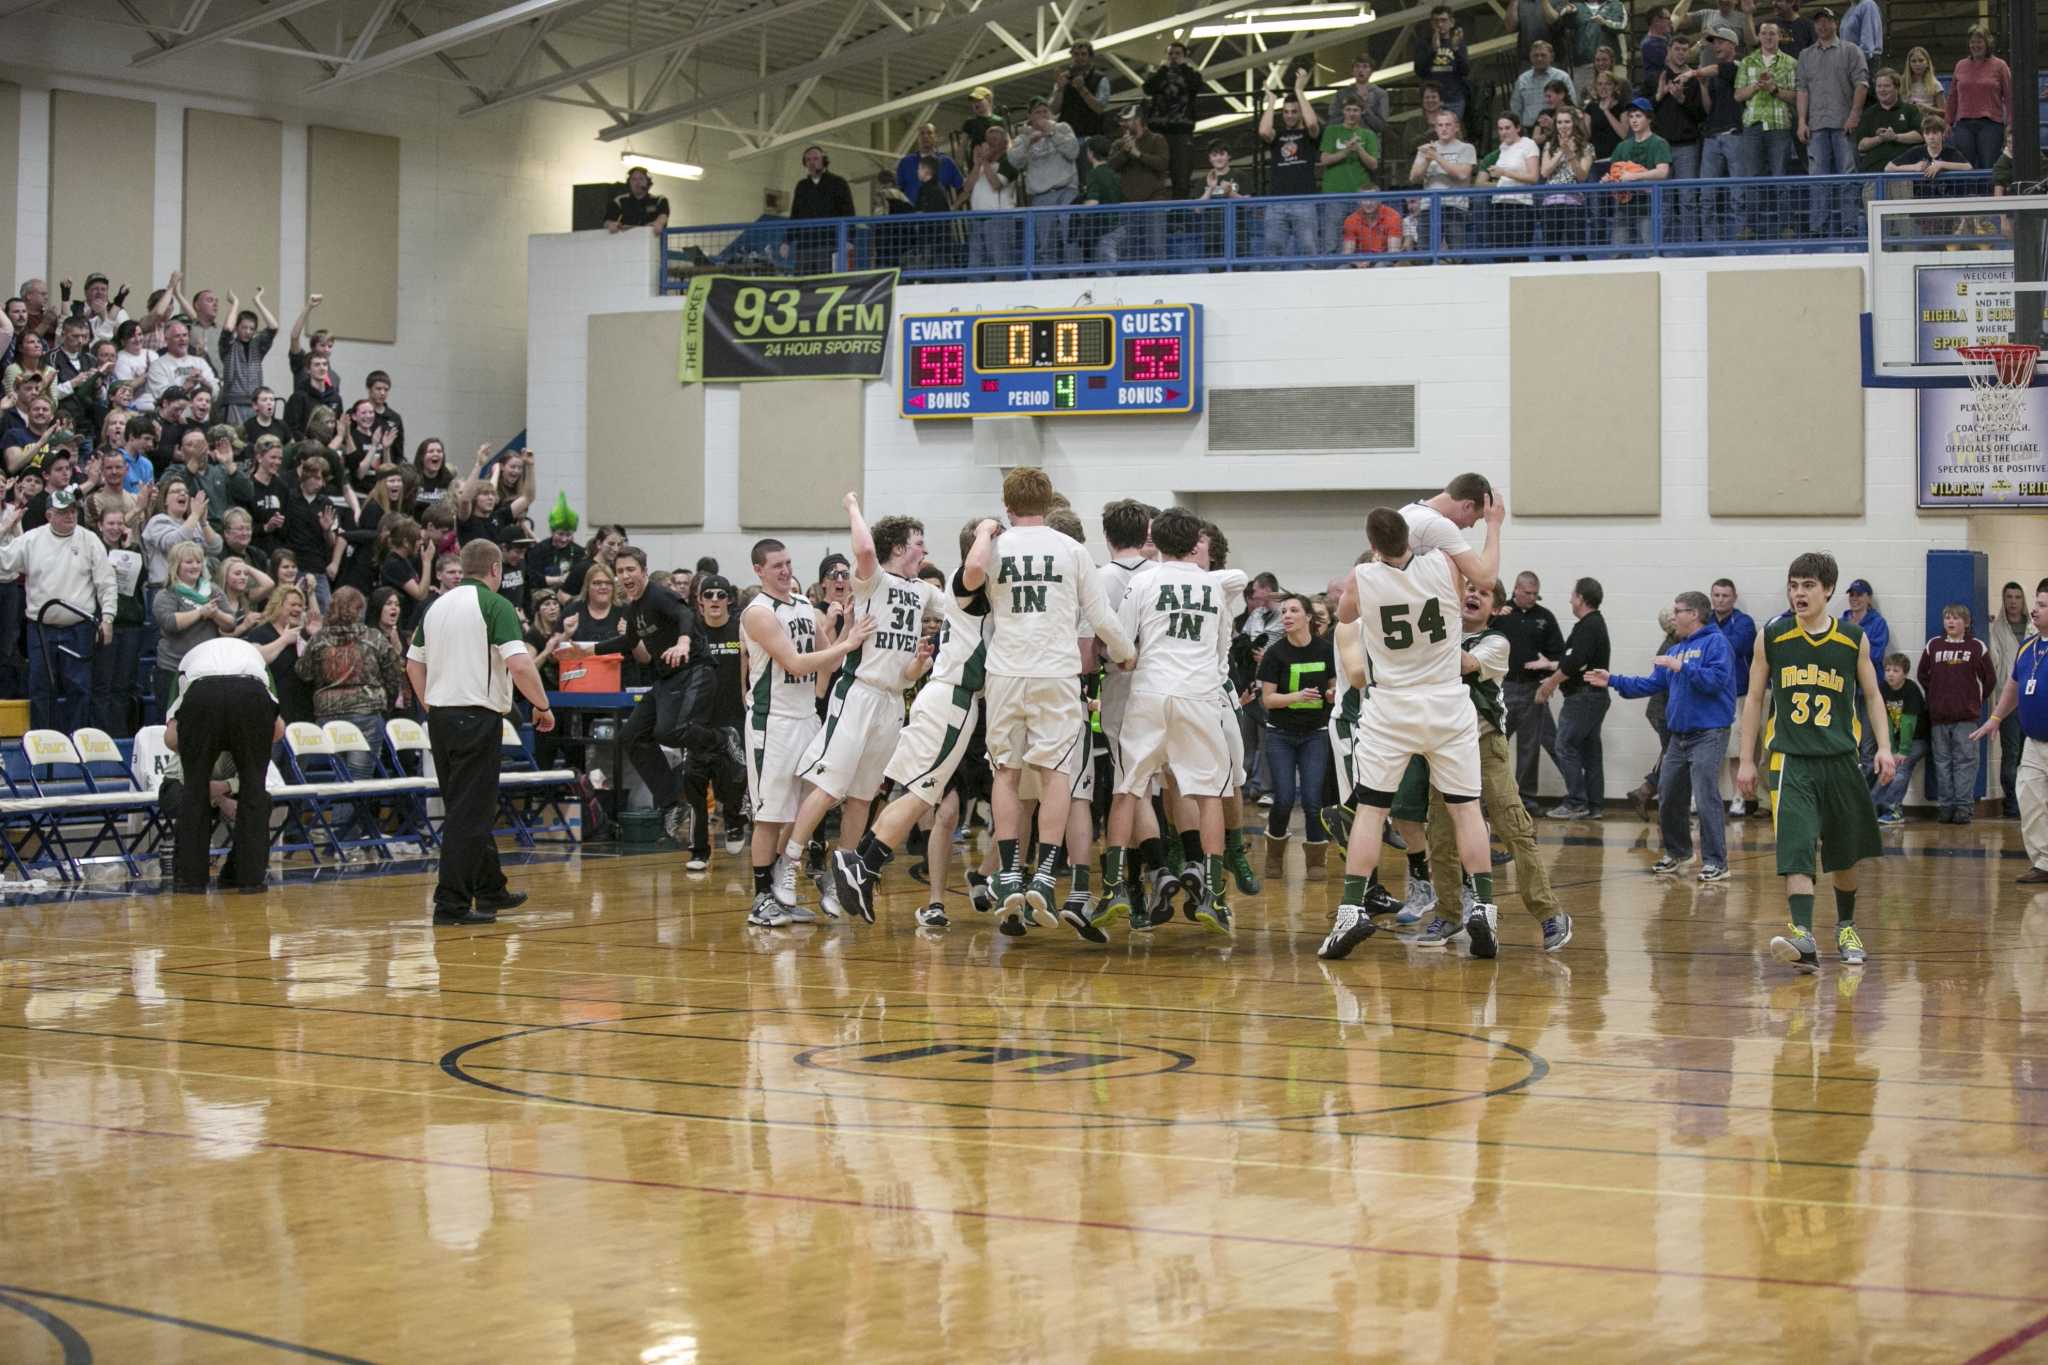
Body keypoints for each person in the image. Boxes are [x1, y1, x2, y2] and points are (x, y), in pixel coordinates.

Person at [1320, 507, 1502, 962]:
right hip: (1446, 701)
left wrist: (1367, 569)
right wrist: (1493, 524)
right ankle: (1482, 905)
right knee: (1466, 812)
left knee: (1370, 812)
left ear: (1375, 545)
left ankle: (1350, 910)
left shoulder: (1363, 576)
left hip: (1392, 706)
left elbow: (1343, 614)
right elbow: (1485, 574)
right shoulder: (1443, 564)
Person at [957, 468, 1134, 933]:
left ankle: (1010, 869)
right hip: (1057, 672)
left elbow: (969, 581)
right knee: (1057, 774)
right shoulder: (1073, 550)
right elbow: (1100, 616)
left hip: (1006, 671)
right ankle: (1044, 873)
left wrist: (983, 532)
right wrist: (1125, 653)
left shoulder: (994, 547)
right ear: (1049, 501)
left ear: (1007, 503)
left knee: (1006, 772)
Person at [832, 518, 998, 930]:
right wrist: (987, 531)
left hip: (936, 696)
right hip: (954, 700)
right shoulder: (970, 582)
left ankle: (858, 863)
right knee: (923, 796)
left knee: (910, 791)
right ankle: (864, 868)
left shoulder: (967, 593)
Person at [1094, 506, 1247, 935]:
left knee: (1129, 788)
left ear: (1156, 542)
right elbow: (1222, 650)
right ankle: (1214, 896)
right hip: (1199, 693)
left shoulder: (1142, 581)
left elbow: (1122, 642)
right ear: (1194, 543)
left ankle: (1113, 888)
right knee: (1209, 793)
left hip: (1150, 690)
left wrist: (1126, 662)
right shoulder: (1214, 587)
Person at [1736, 552, 1893, 970]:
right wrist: (1747, 760)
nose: (1798, 593)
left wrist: (1883, 746)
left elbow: (1874, 696)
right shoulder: (1772, 635)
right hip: (1790, 760)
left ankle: (1845, 925)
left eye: (1807, 585)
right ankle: (1803, 935)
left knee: (1843, 854)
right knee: (1798, 848)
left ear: (1828, 590)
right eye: (1793, 584)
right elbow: (1754, 699)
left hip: (1840, 758)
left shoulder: (1852, 639)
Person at [781, 496, 934, 918]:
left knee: (863, 798)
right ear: (900, 548)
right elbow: (865, 549)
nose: (925, 550)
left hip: (890, 701)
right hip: (858, 693)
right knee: (829, 788)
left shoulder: (921, 594)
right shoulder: (874, 580)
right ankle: (789, 864)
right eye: (919, 543)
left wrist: (919, 663)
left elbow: (905, 674)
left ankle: (842, 875)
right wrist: (851, 506)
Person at [404, 537, 555, 925]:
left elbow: (412, 665)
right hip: (477, 718)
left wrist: (430, 703)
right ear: (495, 570)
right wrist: (542, 706)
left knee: (465, 807)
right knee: (470, 814)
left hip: (439, 720)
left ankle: (490, 889)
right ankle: (450, 904)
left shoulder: (436, 607)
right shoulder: (496, 604)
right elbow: (520, 665)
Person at [1422, 580, 1570, 950]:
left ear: (1496, 609)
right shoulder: (1439, 634)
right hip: (1443, 750)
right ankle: (1448, 913)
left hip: (1485, 746)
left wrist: (1424, 636)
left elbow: (1464, 664)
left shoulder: (1495, 643)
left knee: (1513, 828)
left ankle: (1550, 914)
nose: (1472, 595)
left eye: (1483, 594)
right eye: (1468, 589)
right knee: (1439, 837)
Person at [738, 538, 876, 927]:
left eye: (788, 562)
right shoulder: (757, 613)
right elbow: (797, 663)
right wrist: (845, 644)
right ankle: (761, 897)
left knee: (801, 812)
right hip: (773, 722)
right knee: (770, 815)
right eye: (776, 565)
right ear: (759, 570)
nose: (784, 570)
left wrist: (847, 629)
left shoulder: (802, 605)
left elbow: (827, 654)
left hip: (805, 719)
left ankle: (781, 890)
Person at [561, 546, 710, 842]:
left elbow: (685, 614)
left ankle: (721, 741)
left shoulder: (657, 594)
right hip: (664, 680)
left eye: (631, 569)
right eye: (620, 571)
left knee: (668, 732)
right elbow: (629, 642)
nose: (625, 575)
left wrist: (682, 642)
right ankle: (672, 803)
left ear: (643, 571)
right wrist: (586, 649)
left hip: (691, 671)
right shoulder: (633, 608)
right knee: (629, 736)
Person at [1587, 590, 1737, 879]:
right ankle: (1678, 853)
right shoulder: (1675, 649)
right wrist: (1612, 680)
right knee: (1668, 796)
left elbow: (1716, 681)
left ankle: (1716, 862)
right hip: (1678, 737)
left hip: (1709, 733)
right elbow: (1650, 684)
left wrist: (1683, 667)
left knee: (1706, 797)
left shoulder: (1716, 643)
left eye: (1678, 610)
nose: (1673, 616)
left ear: (1694, 614)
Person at [162, 635, 282, 894]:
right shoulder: (258, 663)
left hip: (203, 696)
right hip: (251, 698)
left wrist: (208, 741)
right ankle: (250, 879)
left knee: (194, 794)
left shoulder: (186, 666)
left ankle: (190, 880)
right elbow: (279, 731)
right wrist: (242, 742)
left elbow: (170, 738)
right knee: (254, 791)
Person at [0, 485, 114, 730]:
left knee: (79, 687)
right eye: (63, 512)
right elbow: (4, 562)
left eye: (73, 511)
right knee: (40, 687)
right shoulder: (31, 539)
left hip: (79, 625)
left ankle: (77, 742)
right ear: (49, 515)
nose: (70, 516)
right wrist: (3, 528)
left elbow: (106, 582)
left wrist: (108, 618)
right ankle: (43, 743)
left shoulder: (89, 539)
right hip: (40, 627)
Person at [1967, 579, 2048, 883]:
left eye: (2041, 605)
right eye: (2036, 604)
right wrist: (1997, 717)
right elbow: (2014, 684)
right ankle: (2043, 863)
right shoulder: (2028, 647)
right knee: (2030, 801)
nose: (2035, 610)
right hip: (2034, 742)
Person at [1257, 593, 1336, 880]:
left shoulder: (1326, 651)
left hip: (1315, 734)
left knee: (1314, 799)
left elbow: (1333, 687)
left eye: (1293, 610)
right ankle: (1275, 854)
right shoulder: (1275, 654)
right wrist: (1297, 696)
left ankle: (1316, 858)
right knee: (1284, 797)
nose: (1286, 615)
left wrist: (1331, 694)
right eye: (1283, 611)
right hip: (1281, 735)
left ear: (1307, 617)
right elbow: (1268, 700)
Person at [296, 585, 404, 784]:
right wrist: (385, 705)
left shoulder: (319, 639)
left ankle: (335, 815)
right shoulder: (374, 637)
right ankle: (337, 817)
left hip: (328, 714)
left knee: (342, 778)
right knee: (359, 780)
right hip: (367, 713)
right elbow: (393, 672)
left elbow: (304, 672)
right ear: (360, 609)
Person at [679, 574, 747, 872]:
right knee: (695, 786)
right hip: (698, 722)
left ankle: (734, 820)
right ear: (700, 601)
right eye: (709, 595)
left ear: (729, 599)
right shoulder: (690, 633)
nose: (715, 600)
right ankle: (699, 850)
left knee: (735, 778)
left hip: (734, 718)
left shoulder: (741, 629)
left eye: (721, 594)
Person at [1536, 576, 1610, 817]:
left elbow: (1575, 663)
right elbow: (1572, 661)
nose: (1570, 599)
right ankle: (1594, 805)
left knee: (1564, 744)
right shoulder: (1591, 625)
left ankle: (1576, 801)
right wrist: (1550, 665)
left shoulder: (1589, 625)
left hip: (1584, 697)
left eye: (1572, 595)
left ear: (1581, 598)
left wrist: (1549, 684)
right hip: (1592, 697)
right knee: (1590, 750)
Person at [1916, 602, 1995, 824]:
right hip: (1939, 717)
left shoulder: (1977, 647)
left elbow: (1990, 680)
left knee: (1966, 762)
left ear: (1966, 623)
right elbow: (1923, 674)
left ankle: (1963, 808)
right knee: (1942, 763)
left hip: (1967, 717)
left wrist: (1973, 700)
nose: (1951, 621)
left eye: (1956, 618)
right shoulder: (1934, 646)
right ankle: (1945, 806)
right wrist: (1937, 697)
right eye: (1947, 618)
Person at [1496, 571, 1565, 813]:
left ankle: (1526, 797)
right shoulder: (1500, 613)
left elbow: (1559, 654)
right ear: (1516, 590)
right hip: (1503, 686)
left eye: (1536, 594)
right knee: (1495, 743)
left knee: (1529, 746)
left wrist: (1548, 674)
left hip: (1531, 688)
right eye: (1527, 593)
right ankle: (1490, 797)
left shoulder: (1545, 618)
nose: (1532, 598)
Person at [1258, 76, 1322, 263]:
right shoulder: (1277, 136)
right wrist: (1271, 102)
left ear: (1300, 113)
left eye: (1294, 111)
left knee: (1310, 252)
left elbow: (1312, 124)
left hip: (1304, 201)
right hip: (1277, 201)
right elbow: (1263, 131)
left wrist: (1299, 91)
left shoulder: (1308, 135)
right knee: (1272, 254)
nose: (1290, 115)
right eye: (1286, 112)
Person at [1709, 578, 1759, 815]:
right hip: (1707, 695)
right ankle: (1701, 797)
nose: (1720, 600)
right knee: (1706, 750)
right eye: (1716, 595)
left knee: (1736, 751)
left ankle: (1738, 798)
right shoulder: (1704, 619)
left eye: (1725, 595)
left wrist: (1706, 644)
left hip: (1736, 693)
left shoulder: (1744, 622)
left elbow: (1733, 648)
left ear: (1734, 597)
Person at [1870, 651, 1926, 824]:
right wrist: (1889, 749)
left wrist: (1902, 751)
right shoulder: (1883, 689)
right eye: (1888, 670)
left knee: (1901, 769)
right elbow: (1884, 720)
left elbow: (1908, 723)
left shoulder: (1911, 690)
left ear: (1905, 673)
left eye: (1895, 670)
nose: (1891, 674)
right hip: (1895, 740)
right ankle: (1873, 807)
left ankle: (1894, 810)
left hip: (1917, 739)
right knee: (1886, 767)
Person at [1143, 40, 1204, 198]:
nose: (1173, 57)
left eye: (1177, 54)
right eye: (1170, 53)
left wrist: (1183, 67)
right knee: (1155, 174)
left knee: (1181, 175)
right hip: (1158, 131)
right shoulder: (1158, 73)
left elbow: (1197, 85)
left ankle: (1179, 216)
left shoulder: (1191, 74)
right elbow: (1147, 88)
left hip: (1181, 131)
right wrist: (1163, 69)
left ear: (1184, 56)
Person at [1943, 27, 2009, 171]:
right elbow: (1953, 96)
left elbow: (2010, 97)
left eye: (1979, 42)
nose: (1975, 45)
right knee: (1964, 167)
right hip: (1964, 125)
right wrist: (1948, 121)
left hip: (1991, 125)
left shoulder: (2000, 66)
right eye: (1972, 42)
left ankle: (1990, 193)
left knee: (1988, 166)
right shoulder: (1960, 65)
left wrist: (2011, 125)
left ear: (1987, 43)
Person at [1990, 581, 2030, 818]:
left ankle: (2030, 801)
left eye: (2017, 597)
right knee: (2011, 753)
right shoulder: (1996, 629)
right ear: (2004, 600)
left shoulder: (2034, 628)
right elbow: (1994, 663)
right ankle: (2011, 803)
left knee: (2031, 753)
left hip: (2033, 700)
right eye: (2009, 597)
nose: (2013, 602)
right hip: (2010, 700)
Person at [788, 145, 856, 274]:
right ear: (804, 163)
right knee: (803, 283)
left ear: (824, 160)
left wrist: (849, 239)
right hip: (805, 245)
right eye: (808, 160)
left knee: (827, 281)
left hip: (829, 243)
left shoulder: (838, 182)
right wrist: (787, 240)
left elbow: (848, 212)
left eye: (815, 158)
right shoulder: (801, 186)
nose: (812, 162)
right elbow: (795, 214)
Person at [605, 166, 670, 233]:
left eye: (641, 179)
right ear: (629, 183)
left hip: (651, 241)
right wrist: (611, 225)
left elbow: (662, 217)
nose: (637, 182)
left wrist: (658, 223)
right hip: (626, 240)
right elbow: (607, 221)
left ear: (648, 182)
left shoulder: (659, 200)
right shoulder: (619, 201)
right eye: (634, 179)